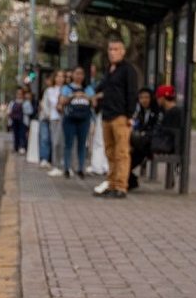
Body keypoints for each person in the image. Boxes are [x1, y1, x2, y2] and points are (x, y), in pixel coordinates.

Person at [93, 37, 140, 199]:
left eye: (116, 49)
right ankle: (111, 183)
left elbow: (132, 93)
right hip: (107, 115)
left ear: (123, 51)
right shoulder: (108, 70)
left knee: (122, 152)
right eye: (110, 49)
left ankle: (121, 185)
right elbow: (101, 89)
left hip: (121, 116)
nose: (112, 53)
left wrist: (130, 115)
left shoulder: (128, 70)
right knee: (110, 152)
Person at [54, 66, 95, 178]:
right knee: (68, 144)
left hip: (84, 119)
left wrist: (85, 96)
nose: (79, 76)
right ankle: (67, 168)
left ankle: (81, 168)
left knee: (82, 145)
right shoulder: (67, 88)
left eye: (81, 73)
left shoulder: (88, 88)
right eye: (76, 73)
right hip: (70, 119)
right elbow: (62, 101)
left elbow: (94, 102)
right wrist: (73, 95)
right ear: (72, 75)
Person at [127, 88, 159, 190]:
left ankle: (130, 181)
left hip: (148, 144)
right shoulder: (139, 111)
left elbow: (156, 129)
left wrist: (144, 133)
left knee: (127, 160)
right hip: (139, 143)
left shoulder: (156, 112)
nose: (144, 100)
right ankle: (129, 180)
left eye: (146, 97)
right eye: (141, 98)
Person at [39, 72, 65, 169]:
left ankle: (62, 161)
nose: (60, 79)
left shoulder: (66, 90)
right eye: (58, 76)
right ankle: (52, 162)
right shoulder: (49, 90)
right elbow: (44, 104)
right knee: (53, 141)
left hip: (64, 119)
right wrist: (48, 115)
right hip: (52, 118)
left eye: (62, 76)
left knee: (61, 141)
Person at [152, 84, 183, 155]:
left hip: (167, 145)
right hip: (165, 143)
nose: (157, 100)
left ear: (162, 98)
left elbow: (168, 131)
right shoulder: (167, 111)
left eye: (158, 97)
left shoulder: (174, 112)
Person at [9, 89, 29, 154]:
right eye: (18, 93)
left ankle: (22, 147)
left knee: (22, 134)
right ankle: (16, 147)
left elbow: (30, 111)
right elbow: (9, 111)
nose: (19, 95)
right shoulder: (12, 102)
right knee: (15, 134)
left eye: (20, 94)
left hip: (23, 121)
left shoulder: (26, 102)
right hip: (15, 121)